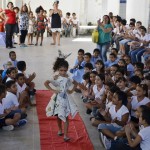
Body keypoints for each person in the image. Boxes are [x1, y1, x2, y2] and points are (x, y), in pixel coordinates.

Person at [45, 57, 78, 141]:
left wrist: (71, 91)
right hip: (58, 98)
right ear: (58, 70)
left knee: (66, 116)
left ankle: (65, 135)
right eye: (61, 70)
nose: (63, 72)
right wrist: (53, 90)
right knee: (58, 116)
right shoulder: (56, 77)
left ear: (67, 69)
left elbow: (76, 83)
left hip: (66, 99)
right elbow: (46, 83)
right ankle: (60, 129)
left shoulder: (69, 77)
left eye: (64, 70)